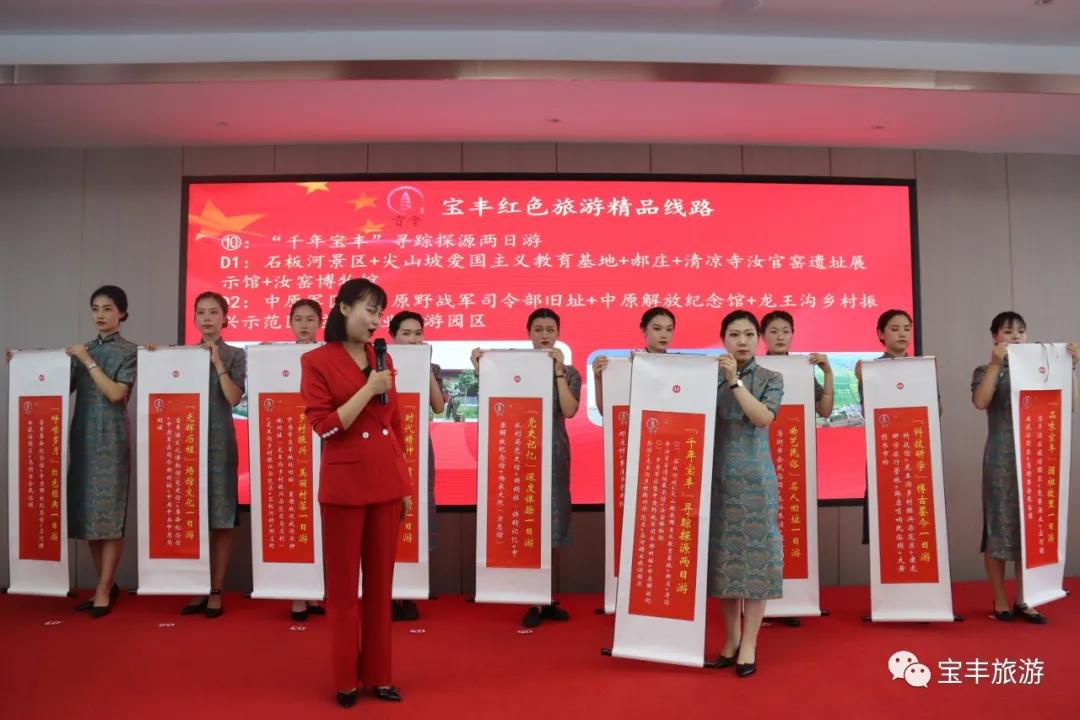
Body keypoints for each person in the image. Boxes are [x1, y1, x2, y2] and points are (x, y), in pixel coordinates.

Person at [301, 279, 410, 708]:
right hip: (344, 487)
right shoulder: (316, 361)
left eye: (380, 312)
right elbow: (323, 426)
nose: (375, 320)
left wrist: (404, 484)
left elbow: (395, 424)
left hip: (386, 483)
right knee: (344, 590)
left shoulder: (381, 357)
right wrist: (368, 388)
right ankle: (346, 679)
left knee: (381, 588)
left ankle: (380, 676)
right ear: (344, 308)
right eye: (369, 309)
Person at [471, 308, 582, 628]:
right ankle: (532, 598)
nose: (545, 335)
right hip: (521, 454)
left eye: (550, 329)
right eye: (538, 329)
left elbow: (570, 410)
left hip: (554, 455)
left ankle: (548, 597)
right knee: (527, 523)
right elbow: (496, 398)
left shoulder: (570, 372)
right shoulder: (514, 367)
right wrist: (480, 366)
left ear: (558, 333)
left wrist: (558, 372)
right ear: (529, 333)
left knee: (554, 525)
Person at [971, 311, 1080, 624]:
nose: (1015, 337)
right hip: (1002, 459)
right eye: (1007, 331)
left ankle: (1025, 598)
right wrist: (996, 364)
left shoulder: (1042, 370)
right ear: (995, 336)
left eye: (1020, 331)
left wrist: (1070, 369)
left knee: (1031, 529)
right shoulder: (985, 369)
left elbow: (1071, 405)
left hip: (1037, 460)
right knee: (998, 527)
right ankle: (1000, 598)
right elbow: (981, 402)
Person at [708, 310, 784, 678]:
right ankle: (731, 638)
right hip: (717, 482)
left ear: (758, 339)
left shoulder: (771, 378)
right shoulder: (708, 377)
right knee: (724, 561)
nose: (742, 341)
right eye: (735, 334)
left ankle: (750, 642)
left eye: (749, 334)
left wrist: (734, 382)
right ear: (723, 339)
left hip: (755, 483)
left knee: (756, 562)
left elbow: (762, 418)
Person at [758, 310, 833, 628]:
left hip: (793, 462)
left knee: (789, 529)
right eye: (773, 331)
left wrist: (827, 372)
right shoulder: (754, 369)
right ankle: (758, 604)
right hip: (758, 458)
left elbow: (825, 410)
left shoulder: (803, 369)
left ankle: (788, 602)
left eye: (785, 331)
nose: (780, 337)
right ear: (762, 336)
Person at [67, 286, 138, 618]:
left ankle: (103, 590)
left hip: (112, 441)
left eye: (108, 308)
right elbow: (56, 386)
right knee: (90, 516)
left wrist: (86, 360)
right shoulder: (82, 349)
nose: (100, 315)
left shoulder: (129, 351)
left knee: (109, 517)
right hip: (83, 439)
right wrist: (28, 367)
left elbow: (116, 394)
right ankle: (105, 584)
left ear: (121, 313)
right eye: (95, 308)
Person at [178, 292, 245, 619]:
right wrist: (154, 360)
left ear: (225, 318)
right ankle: (198, 587)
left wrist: (218, 364)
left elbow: (234, 398)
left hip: (220, 446)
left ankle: (216, 589)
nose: (207, 318)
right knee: (195, 519)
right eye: (201, 312)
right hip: (188, 445)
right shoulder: (182, 356)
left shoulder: (235, 355)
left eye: (213, 312)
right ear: (194, 319)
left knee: (220, 519)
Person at [388, 310, 447, 621]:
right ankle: (387, 591)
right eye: (406, 334)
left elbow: (438, 406)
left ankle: (410, 593)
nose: (412, 339)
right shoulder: (378, 365)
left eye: (417, 333)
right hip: (385, 448)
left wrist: (424, 367)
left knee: (417, 514)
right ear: (393, 337)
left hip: (418, 449)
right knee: (386, 517)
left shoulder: (431, 366)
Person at [854, 309, 916, 546]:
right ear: (881, 334)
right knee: (884, 522)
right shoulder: (870, 370)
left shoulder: (921, 368)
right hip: (885, 453)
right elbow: (867, 411)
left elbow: (937, 409)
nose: (902, 334)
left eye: (907, 329)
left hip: (915, 452)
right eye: (895, 329)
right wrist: (864, 380)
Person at [285, 299, 327, 623]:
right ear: (290, 323)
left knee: (320, 519)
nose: (303, 325)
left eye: (310, 319)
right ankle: (296, 594)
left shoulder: (329, 356)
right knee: (296, 515)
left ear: (320, 323)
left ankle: (316, 591)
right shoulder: (277, 356)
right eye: (298, 319)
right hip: (290, 444)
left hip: (324, 442)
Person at [593, 306, 676, 415]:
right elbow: (606, 411)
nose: (664, 335)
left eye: (669, 329)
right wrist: (598, 378)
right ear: (643, 330)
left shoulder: (681, 367)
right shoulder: (627, 365)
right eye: (657, 329)